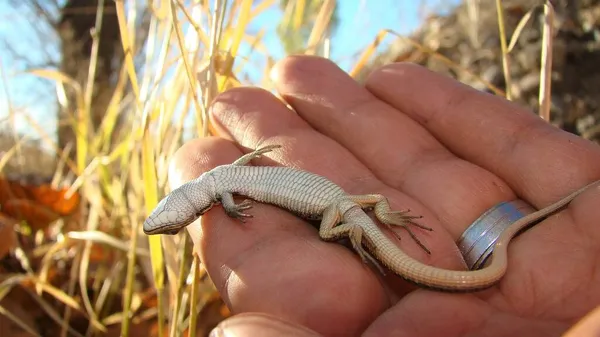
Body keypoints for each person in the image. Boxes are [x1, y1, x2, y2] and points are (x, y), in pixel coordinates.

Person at [168, 56, 600, 337]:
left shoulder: (219, 185)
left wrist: (238, 198)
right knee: (365, 212)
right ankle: (379, 225)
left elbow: (228, 198)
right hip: (342, 201)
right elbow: (233, 180)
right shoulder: (221, 177)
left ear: (193, 202)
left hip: (331, 211)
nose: (174, 221)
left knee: (331, 234)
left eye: (175, 218)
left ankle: (365, 236)